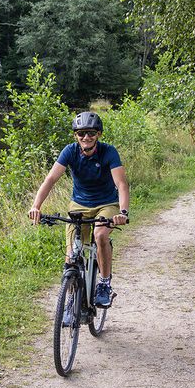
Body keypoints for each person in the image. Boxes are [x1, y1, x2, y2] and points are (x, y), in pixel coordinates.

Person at [27, 111, 129, 308]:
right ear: (76, 136)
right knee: (73, 254)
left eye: (90, 133)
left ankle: (104, 284)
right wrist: (36, 206)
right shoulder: (70, 151)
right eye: (81, 133)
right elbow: (50, 180)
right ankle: (72, 298)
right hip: (79, 205)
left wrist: (122, 212)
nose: (86, 137)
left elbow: (122, 184)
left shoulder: (109, 152)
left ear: (98, 134)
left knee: (100, 235)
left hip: (106, 203)